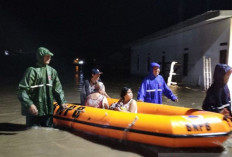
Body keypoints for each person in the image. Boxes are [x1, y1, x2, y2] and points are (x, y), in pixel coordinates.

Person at [17, 47, 67, 127]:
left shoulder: (53, 71)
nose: (49, 58)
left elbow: (58, 89)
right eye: (46, 56)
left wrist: (62, 101)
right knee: (33, 133)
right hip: (34, 111)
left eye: (50, 56)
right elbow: (22, 90)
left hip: (48, 110)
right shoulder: (31, 71)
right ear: (40, 57)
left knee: (48, 131)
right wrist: (30, 104)